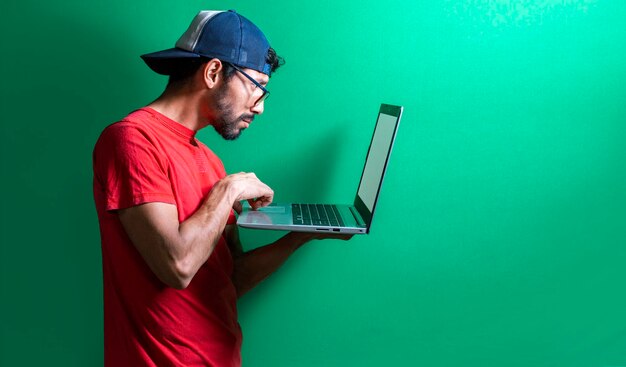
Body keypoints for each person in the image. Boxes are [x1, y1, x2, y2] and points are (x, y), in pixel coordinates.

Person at [92, 10, 350, 367]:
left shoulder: (210, 161)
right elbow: (177, 266)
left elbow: (228, 281)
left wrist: (299, 236)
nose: (259, 107)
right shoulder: (132, 140)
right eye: (257, 86)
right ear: (213, 72)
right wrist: (227, 190)